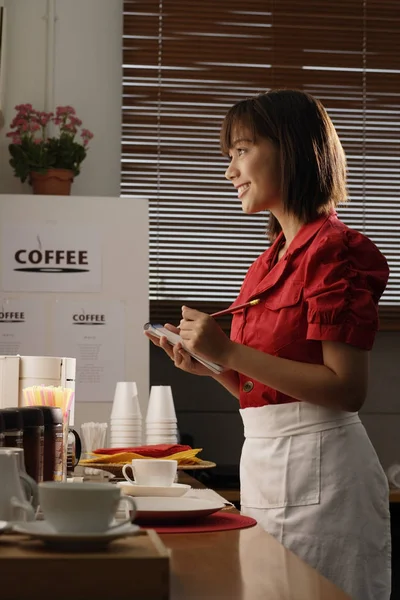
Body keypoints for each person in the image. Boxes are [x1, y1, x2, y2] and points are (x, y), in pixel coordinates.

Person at [145, 89, 391, 599]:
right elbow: (269, 392)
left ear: (293, 149)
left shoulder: (336, 251)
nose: (230, 171)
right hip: (266, 460)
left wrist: (229, 352)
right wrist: (211, 367)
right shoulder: (269, 260)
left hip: (324, 472)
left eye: (241, 151)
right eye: (228, 156)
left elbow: (346, 390)